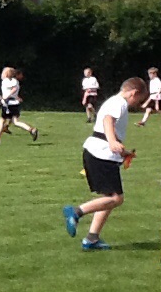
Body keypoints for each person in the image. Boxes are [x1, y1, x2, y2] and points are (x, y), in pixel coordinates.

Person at [63, 77, 148, 251]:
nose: (136, 105)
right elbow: (108, 120)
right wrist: (111, 142)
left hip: (98, 151)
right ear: (134, 92)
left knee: (108, 198)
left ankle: (92, 239)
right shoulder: (120, 102)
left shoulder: (113, 101)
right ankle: (76, 212)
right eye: (137, 100)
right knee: (116, 198)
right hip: (101, 153)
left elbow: (108, 128)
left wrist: (122, 152)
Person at [0, 67, 37, 145]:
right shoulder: (15, 81)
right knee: (15, 121)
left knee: (2, 120)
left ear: (7, 74)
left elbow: (11, 90)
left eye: (3, 73)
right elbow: (15, 90)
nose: (2, 74)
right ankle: (31, 130)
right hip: (15, 104)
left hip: (8, 104)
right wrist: (15, 97)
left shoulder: (5, 81)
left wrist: (5, 96)